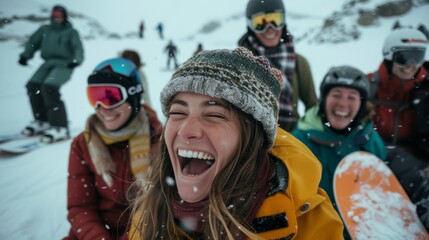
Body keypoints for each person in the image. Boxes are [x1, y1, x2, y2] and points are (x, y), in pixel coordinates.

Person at [128, 47, 344, 239]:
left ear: (252, 137)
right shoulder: (149, 216)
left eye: (214, 115)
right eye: (177, 112)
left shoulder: (308, 220)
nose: (186, 131)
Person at [64, 58, 162, 240]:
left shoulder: (160, 140)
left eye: (111, 97)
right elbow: (81, 208)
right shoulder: (83, 143)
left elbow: (166, 205)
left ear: (134, 95)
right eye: (95, 97)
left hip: (147, 233)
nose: (102, 108)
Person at [292, 65, 387, 239]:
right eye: (336, 95)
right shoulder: (299, 143)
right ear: (324, 99)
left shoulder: (370, 139)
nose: (343, 103)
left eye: (352, 97)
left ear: (361, 104)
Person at [366, 25, 429, 230]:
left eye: (417, 57)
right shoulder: (369, 86)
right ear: (389, 56)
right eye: (404, 57)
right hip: (374, 156)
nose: (411, 65)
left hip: (419, 161)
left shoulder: (425, 91)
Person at [238, 0, 317, 132]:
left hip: (290, 136)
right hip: (251, 136)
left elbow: (312, 108)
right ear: (250, 26)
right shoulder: (240, 61)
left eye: (276, 20)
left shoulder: (298, 62)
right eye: (260, 23)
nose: (269, 29)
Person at [18, 5, 84, 143]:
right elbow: (32, 43)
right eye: (55, 15)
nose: (58, 17)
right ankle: (42, 121)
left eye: (60, 15)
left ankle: (60, 127)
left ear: (65, 16)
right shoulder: (45, 30)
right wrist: (26, 55)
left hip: (64, 64)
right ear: (52, 16)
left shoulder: (71, 32)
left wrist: (76, 60)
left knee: (49, 88)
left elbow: (78, 48)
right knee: (32, 86)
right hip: (48, 63)